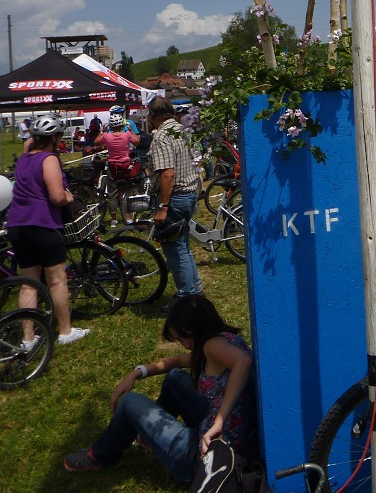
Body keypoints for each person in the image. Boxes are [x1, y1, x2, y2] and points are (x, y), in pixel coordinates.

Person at [63, 295, 257, 484]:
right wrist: (138, 372)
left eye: (182, 338)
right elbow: (177, 361)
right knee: (175, 378)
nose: (183, 344)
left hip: (204, 456)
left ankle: (99, 456)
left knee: (130, 402)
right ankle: (149, 439)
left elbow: (244, 362)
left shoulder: (212, 346)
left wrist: (219, 421)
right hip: (236, 439)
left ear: (195, 330)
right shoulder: (226, 339)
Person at [6, 116, 90, 345]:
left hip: (17, 225)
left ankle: (28, 337)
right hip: (42, 225)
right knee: (56, 280)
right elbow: (56, 196)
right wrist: (69, 197)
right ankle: (65, 331)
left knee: (28, 282)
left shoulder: (24, 160)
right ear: (54, 138)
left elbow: (28, 147)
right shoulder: (49, 160)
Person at [146, 96, 204, 313]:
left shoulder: (162, 136)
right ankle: (194, 289)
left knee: (175, 249)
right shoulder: (182, 130)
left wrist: (163, 206)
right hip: (189, 193)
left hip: (175, 197)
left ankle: (186, 297)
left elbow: (168, 174)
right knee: (184, 246)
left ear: (152, 116)